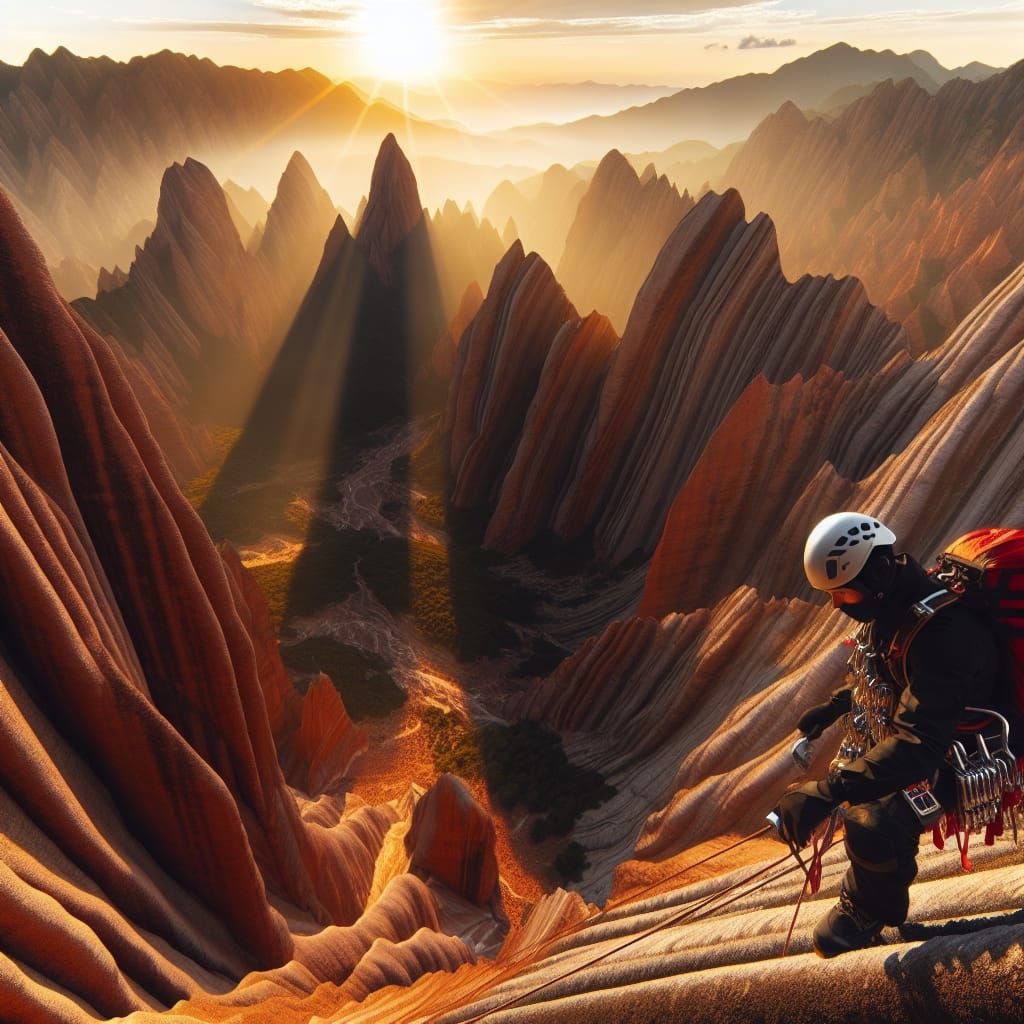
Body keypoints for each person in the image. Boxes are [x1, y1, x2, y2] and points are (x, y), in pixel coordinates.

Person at [773, 511, 999, 957]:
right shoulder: (900, 600)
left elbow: (919, 744)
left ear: (876, 572)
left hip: (974, 747)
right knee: (866, 789)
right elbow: (889, 668)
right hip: (940, 728)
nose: (838, 604)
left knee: (874, 817)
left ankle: (868, 909)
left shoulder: (944, 632)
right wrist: (839, 704)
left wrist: (828, 791)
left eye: (843, 591)